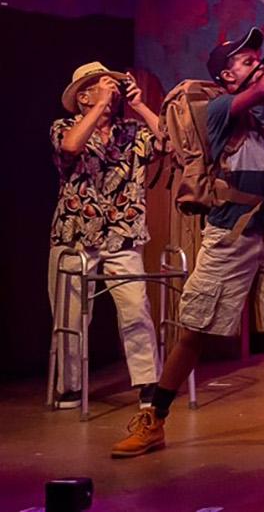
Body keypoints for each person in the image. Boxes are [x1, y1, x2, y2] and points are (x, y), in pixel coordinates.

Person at [113, 15, 264, 458]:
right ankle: (155, 419)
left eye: (258, 58)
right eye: (247, 61)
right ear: (226, 76)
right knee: (197, 328)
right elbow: (261, 89)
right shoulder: (219, 111)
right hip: (231, 234)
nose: (258, 65)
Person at [48, 63, 166, 409]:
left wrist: (141, 105)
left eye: (113, 87)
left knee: (135, 310)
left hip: (121, 235)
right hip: (75, 236)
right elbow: (71, 147)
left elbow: (169, 141)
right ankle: (69, 386)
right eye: (101, 86)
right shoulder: (63, 126)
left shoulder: (131, 131)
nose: (111, 92)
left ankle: (147, 381)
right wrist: (99, 104)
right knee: (70, 315)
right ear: (82, 96)